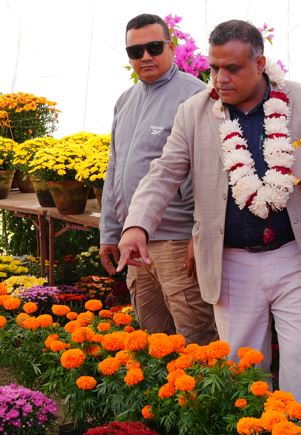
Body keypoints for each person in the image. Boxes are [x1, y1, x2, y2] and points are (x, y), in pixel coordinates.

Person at [118, 20, 301, 405]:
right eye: (214, 68)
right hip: (232, 262)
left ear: (260, 64)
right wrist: (136, 226)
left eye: (232, 68)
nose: (220, 78)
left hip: (299, 258)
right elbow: (162, 174)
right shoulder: (194, 112)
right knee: (241, 374)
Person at [100, 14, 218, 345]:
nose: (145, 57)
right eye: (135, 51)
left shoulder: (195, 97)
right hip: (135, 246)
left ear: (171, 46)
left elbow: (209, 174)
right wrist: (111, 232)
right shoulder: (125, 101)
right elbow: (115, 168)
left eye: (154, 47)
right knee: (154, 343)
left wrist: (199, 235)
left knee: (196, 342)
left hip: (178, 243)